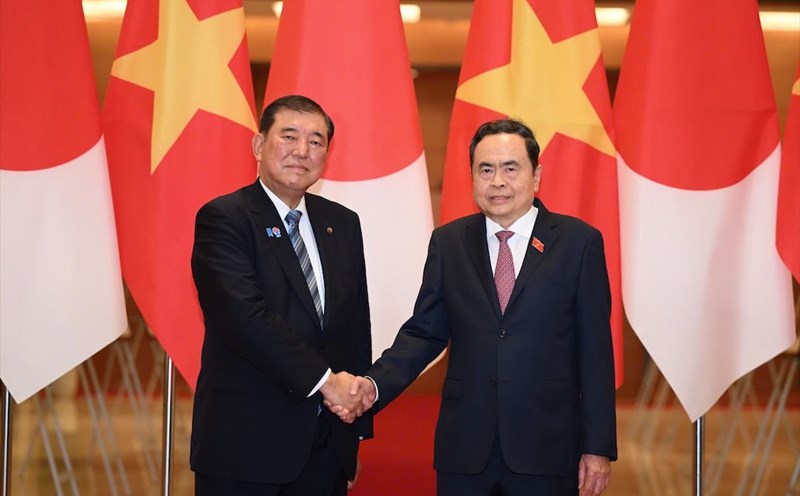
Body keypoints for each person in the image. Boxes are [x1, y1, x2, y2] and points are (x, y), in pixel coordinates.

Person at [336, 119, 617, 495]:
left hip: (547, 448)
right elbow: (424, 333)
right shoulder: (449, 242)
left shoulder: (578, 243)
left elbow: (595, 352)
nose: (497, 181)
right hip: (465, 449)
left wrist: (597, 448)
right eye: (485, 169)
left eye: (510, 168)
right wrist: (373, 385)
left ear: (537, 176)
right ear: (472, 177)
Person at [189, 94, 373, 496]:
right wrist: (327, 382)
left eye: (316, 141)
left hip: (326, 446)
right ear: (259, 145)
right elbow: (245, 319)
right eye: (289, 137)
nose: (302, 151)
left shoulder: (342, 223)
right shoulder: (225, 219)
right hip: (246, 446)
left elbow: (355, 326)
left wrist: (354, 431)